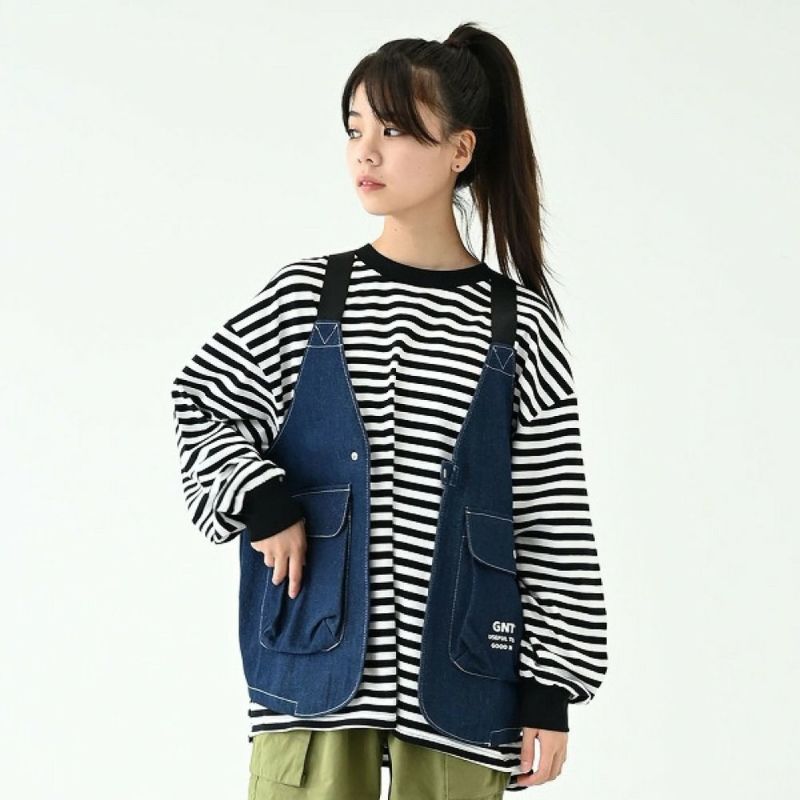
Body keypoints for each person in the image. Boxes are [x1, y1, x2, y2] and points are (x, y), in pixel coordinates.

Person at [170, 21, 608, 800]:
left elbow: (551, 517)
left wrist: (551, 691)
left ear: (460, 150)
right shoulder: (310, 297)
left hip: (465, 680)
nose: (365, 153)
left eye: (395, 131)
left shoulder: (518, 326)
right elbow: (203, 401)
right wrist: (261, 499)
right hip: (311, 673)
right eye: (355, 129)